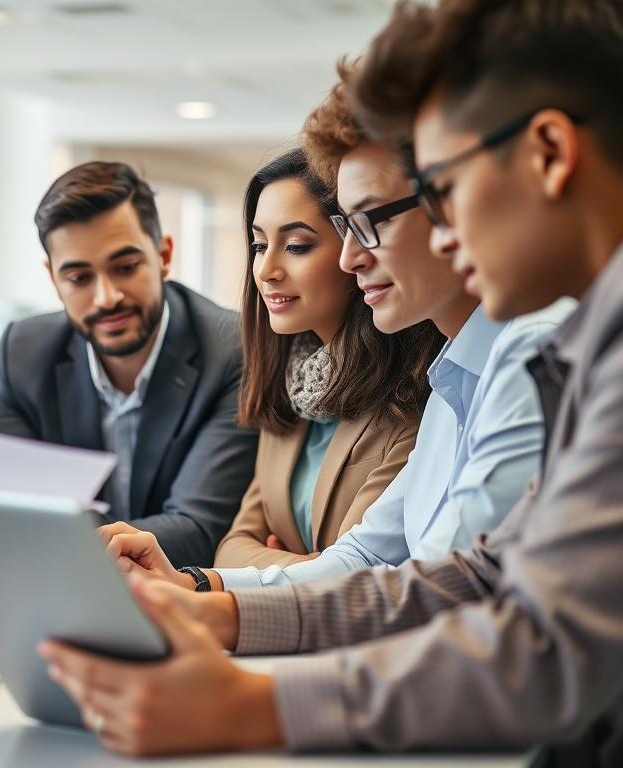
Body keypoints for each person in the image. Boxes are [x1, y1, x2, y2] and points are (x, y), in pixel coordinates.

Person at [39, 0, 623, 762]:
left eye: (442, 187)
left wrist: (258, 703)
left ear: (548, 151)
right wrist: (218, 609)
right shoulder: (563, 348)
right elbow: (471, 576)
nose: (442, 233)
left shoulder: (570, 349)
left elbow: (539, 649)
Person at [107, 63, 572, 593]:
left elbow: (432, 594)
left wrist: (236, 643)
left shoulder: (525, 355)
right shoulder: (450, 378)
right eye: (259, 245)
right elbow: (366, 554)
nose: (352, 257)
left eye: (368, 223)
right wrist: (196, 587)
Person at [105, 148, 441, 585]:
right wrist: (306, 566)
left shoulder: (413, 399)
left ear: (355, 246)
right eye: (260, 245)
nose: (266, 269)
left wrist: (284, 563)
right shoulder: (294, 384)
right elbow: (230, 546)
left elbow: (356, 577)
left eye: (297, 246)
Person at [0, 161, 258, 567]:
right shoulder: (23, 352)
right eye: (79, 278)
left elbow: (199, 528)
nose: (106, 297)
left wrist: (56, 545)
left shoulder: (233, 349)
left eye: (125, 267)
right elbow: (6, 507)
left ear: (164, 255)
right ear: (54, 279)